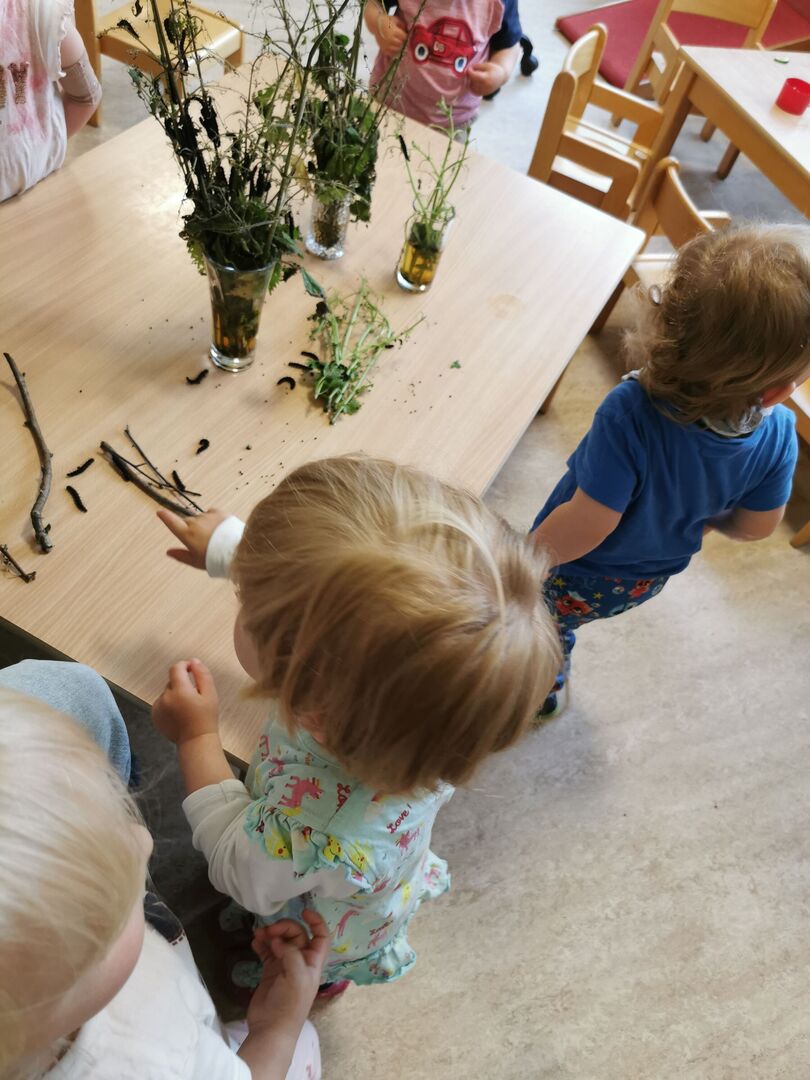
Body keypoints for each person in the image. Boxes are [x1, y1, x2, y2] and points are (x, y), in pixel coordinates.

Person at [154, 455, 560, 994]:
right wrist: (236, 550)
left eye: (248, 602)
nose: (243, 596)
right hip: (338, 861)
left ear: (308, 694)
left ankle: (316, 983)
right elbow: (343, 599)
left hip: (324, 924)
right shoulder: (417, 715)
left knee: (295, 941)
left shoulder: (318, 831)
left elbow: (237, 864)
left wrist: (197, 737)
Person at [531, 225, 809, 717]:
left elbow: (589, 523)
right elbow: (756, 527)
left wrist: (519, 559)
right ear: (777, 391)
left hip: (576, 569)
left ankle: (533, 686)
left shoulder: (632, 411)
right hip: (645, 580)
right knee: (560, 621)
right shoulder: (781, 434)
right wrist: (702, 519)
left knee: (536, 620)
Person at [0, 662, 327, 1080]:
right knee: (296, 1043)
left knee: (75, 688)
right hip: (188, 1045)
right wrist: (277, 1028)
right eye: (113, 912)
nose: (143, 840)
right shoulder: (150, 1057)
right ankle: (226, 1044)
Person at [1, 0, 102, 202]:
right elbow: (87, 97)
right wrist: (43, 148)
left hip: (40, 194)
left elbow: (87, 97)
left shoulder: (40, 11)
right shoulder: (40, 10)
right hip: (38, 189)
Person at [364, 0, 522, 129]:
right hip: (389, 103)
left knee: (442, 159)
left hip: (454, 121)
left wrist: (500, 71)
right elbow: (372, 4)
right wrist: (379, 23)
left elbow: (509, 45)